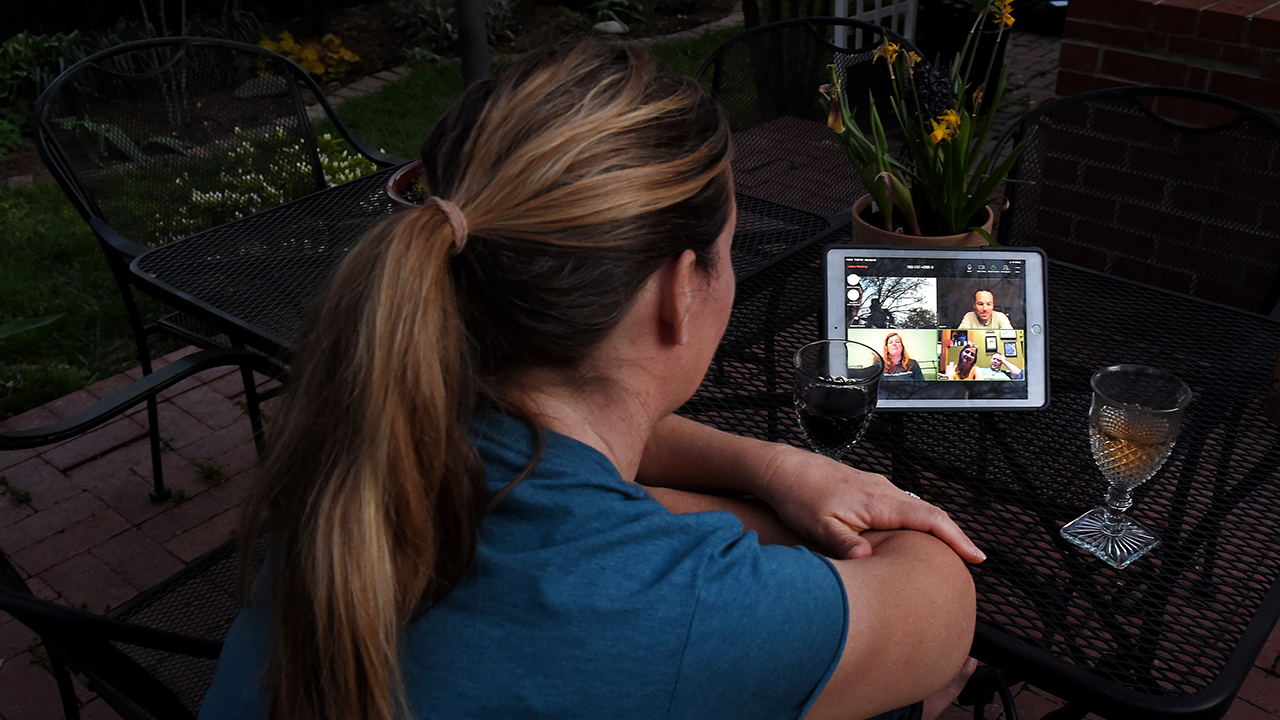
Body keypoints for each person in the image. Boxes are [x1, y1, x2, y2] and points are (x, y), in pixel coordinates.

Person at [200, 39, 982, 720]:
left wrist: (775, 467)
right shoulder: (673, 608)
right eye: (728, 250)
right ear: (679, 291)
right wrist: (755, 522)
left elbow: (574, 484)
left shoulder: (385, 433)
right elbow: (943, 602)